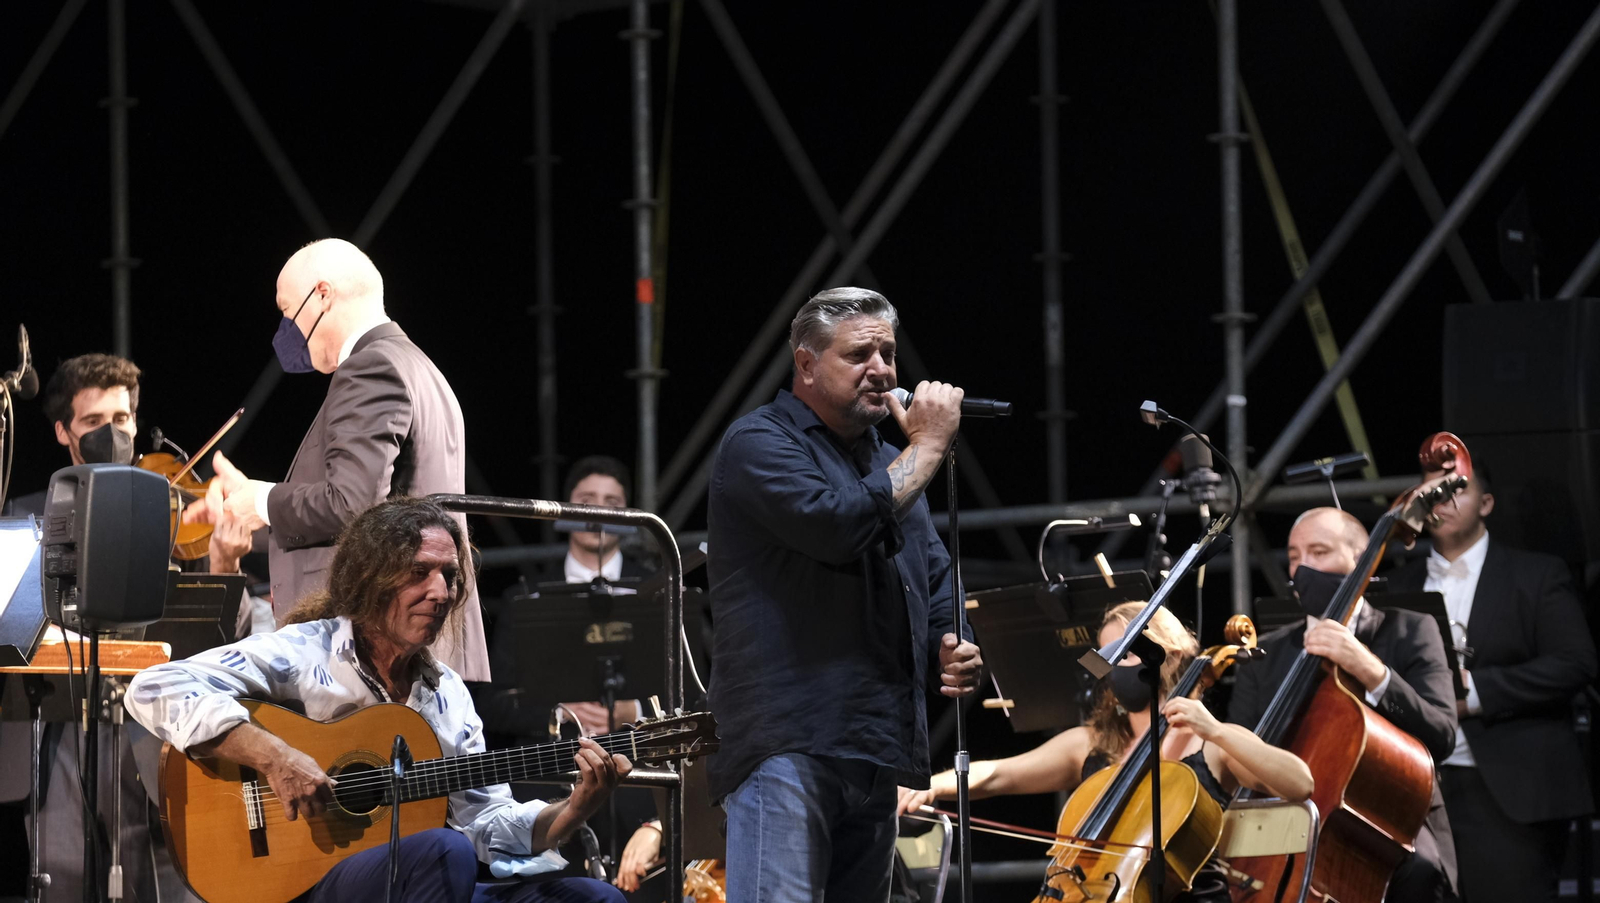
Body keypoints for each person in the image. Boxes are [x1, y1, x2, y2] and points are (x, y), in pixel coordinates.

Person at [124, 497, 630, 903]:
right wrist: (274, 756)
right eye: (419, 572)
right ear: (370, 576)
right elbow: (153, 686)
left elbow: (486, 821)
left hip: (421, 879)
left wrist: (572, 810)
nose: (441, 592)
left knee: (594, 896)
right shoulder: (305, 652)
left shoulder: (446, 693)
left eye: (450, 576)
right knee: (444, 852)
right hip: (303, 880)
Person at [705, 287, 983, 901]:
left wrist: (953, 640)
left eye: (888, 353)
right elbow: (836, 526)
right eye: (859, 354)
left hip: (875, 745)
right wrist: (928, 447)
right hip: (788, 740)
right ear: (806, 365)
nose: (882, 370)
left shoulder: (890, 461)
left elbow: (933, 572)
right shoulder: (759, 441)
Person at [0, 353, 256, 903]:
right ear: (63, 431)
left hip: (152, 733)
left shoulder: (173, 508)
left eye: (121, 419)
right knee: (61, 880)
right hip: (58, 732)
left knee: (160, 885)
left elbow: (229, 640)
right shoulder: (23, 516)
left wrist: (224, 563)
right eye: (93, 422)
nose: (111, 434)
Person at [187, 238, 490, 681]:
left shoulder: (371, 367)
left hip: (383, 649)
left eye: (288, 310)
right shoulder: (417, 366)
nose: (287, 328)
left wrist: (262, 500)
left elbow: (350, 504)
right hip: (419, 644)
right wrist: (250, 515)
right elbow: (382, 505)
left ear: (322, 295)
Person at [896, 602, 1314, 902]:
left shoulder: (1212, 744)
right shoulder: (1091, 743)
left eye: (1126, 653)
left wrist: (1218, 731)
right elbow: (999, 774)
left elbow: (1300, 783)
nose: (1114, 668)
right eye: (1107, 657)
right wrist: (930, 787)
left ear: (1168, 657)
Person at [1386, 463, 1596, 903]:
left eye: (1457, 490)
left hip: (1507, 786)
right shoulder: (1397, 584)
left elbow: (1575, 663)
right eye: (1432, 492)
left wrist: (1474, 692)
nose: (1442, 500)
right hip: (1415, 786)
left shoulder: (1537, 573)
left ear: (1486, 504)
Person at [1228, 507, 1458, 902]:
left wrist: (1371, 670)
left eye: (1319, 552)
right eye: (1295, 557)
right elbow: (1240, 748)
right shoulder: (1265, 653)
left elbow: (1441, 735)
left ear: (1360, 558)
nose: (1303, 568)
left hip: (1389, 813)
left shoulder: (1409, 630)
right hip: (1283, 816)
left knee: (1419, 870)